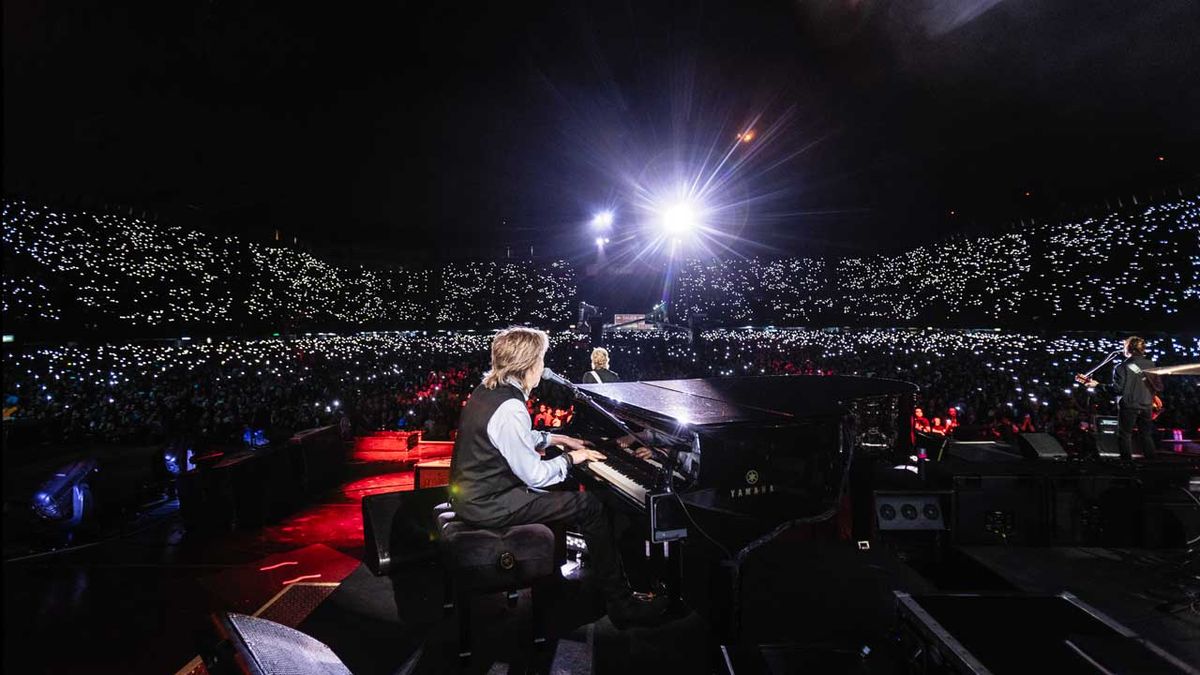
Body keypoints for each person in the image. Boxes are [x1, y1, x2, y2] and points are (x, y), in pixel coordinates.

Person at [449, 327, 668, 627]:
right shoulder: (510, 406)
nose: (543, 366)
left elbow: (517, 438)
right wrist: (572, 458)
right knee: (589, 505)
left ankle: (555, 579)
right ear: (529, 363)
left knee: (566, 487)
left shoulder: (488, 390)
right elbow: (536, 475)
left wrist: (559, 440)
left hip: (477, 495)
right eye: (541, 358)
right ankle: (621, 604)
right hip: (489, 504)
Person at [1085, 336, 1159, 460]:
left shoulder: (1121, 367)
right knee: (1146, 435)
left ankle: (1127, 463)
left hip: (1129, 405)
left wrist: (1097, 385)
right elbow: (1157, 386)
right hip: (1147, 405)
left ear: (1129, 348)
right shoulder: (1151, 364)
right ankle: (1151, 464)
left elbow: (1117, 390)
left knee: (1125, 435)